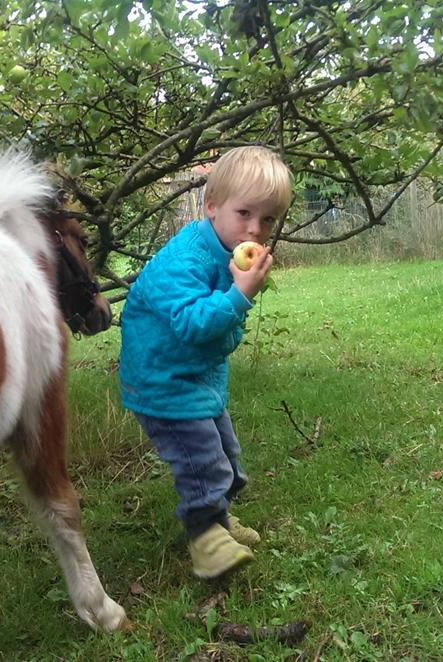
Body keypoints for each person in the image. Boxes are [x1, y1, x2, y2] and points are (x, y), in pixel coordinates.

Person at [119, 145, 292, 579]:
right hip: (162, 381)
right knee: (202, 463)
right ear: (211, 206)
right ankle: (206, 541)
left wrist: (239, 295)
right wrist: (240, 295)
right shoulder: (185, 261)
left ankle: (219, 519)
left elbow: (221, 334)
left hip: (196, 379)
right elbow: (195, 324)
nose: (255, 230)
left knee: (228, 459)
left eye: (268, 220)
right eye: (245, 214)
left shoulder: (226, 253)